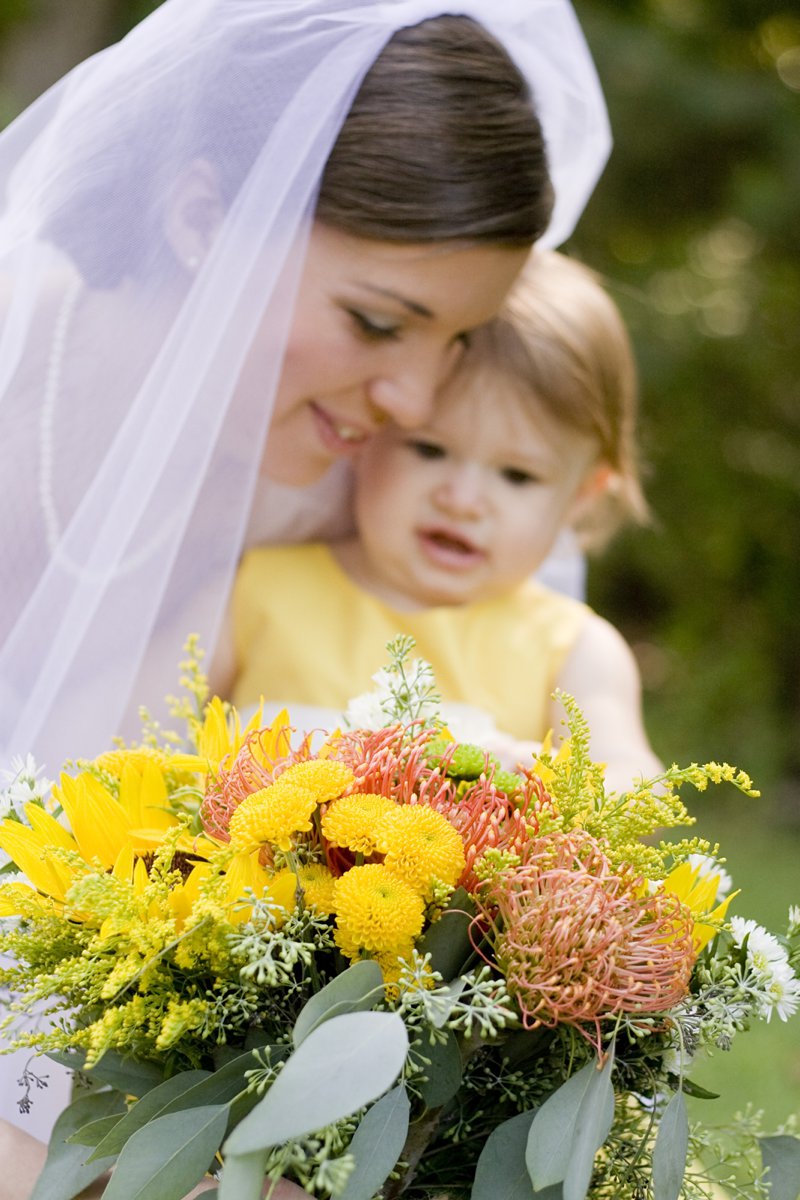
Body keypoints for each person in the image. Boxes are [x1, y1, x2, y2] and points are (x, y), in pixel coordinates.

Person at [0, 0, 612, 1176]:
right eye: (378, 320)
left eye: (454, 344)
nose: (417, 407)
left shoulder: (351, 514)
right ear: (197, 218)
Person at [230, 251, 662, 792]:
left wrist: (534, 777)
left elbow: (637, 780)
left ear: (580, 496)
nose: (462, 500)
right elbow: (152, 739)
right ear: (367, 436)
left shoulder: (572, 649)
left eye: (517, 476)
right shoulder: (260, 588)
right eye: (429, 450)